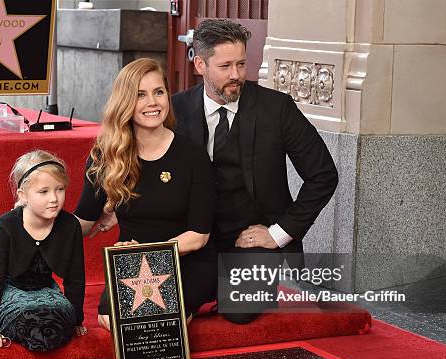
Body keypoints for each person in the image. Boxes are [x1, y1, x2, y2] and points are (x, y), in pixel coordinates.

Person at [172, 19, 339, 323]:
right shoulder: (176, 110)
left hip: (252, 238)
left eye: (241, 63)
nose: (236, 75)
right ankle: (205, 289)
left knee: (239, 310)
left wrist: (278, 234)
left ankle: (226, 288)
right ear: (200, 65)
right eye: (225, 66)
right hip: (196, 238)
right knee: (177, 301)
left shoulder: (277, 109)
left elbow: (324, 174)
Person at [74, 58, 217, 331]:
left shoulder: (192, 155)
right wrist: (34, 218)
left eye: (159, 92)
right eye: (140, 95)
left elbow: (199, 237)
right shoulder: (106, 155)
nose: (153, 102)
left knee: (157, 321)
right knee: (112, 321)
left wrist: (147, 254)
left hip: (184, 260)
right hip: (131, 266)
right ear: (125, 102)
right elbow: (83, 222)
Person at [0, 150, 87, 351]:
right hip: (13, 291)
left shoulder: (70, 225)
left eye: (60, 189)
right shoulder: (5, 226)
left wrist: (76, 318)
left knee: (55, 322)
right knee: (30, 321)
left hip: (46, 292)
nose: (54, 198)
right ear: (23, 196)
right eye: (43, 192)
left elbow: (76, 278)